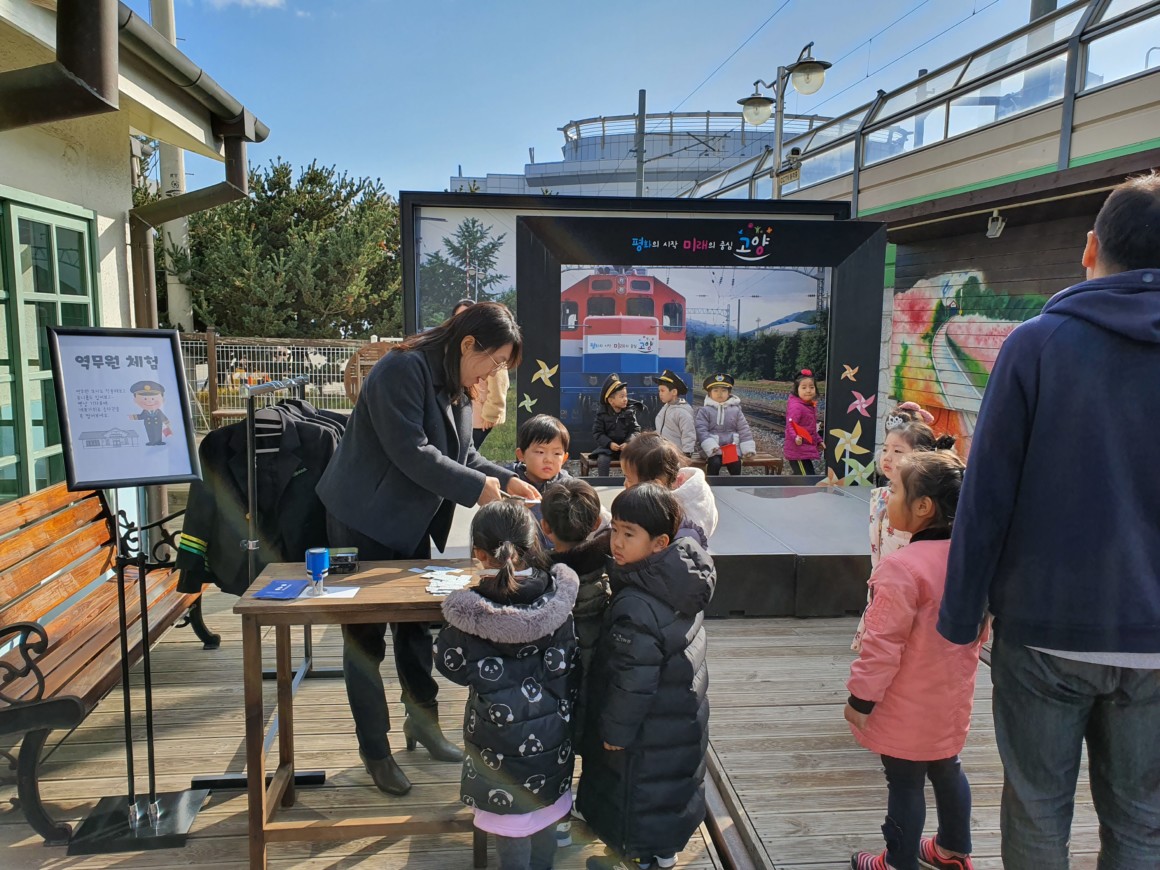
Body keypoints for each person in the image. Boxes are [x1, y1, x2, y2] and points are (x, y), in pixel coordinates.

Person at [938, 173, 1160, 870]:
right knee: (1145, 822)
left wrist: (962, 611)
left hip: (1045, 628)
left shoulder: (1037, 345)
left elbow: (989, 493)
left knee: (1037, 809)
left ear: (1091, 249)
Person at [315, 302, 540, 797]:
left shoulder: (452, 380)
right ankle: (375, 750)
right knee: (364, 640)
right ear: (467, 345)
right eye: (496, 361)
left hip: (408, 519)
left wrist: (511, 480)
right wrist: (480, 488)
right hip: (362, 518)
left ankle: (423, 724)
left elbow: (463, 454)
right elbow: (412, 451)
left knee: (415, 627)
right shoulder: (403, 368)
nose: (495, 373)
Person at [846, 450, 982, 870]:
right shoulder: (970, 561)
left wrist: (860, 701)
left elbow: (881, 645)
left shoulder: (902, 568)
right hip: (952, 700)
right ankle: (953, 850)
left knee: (904, 782)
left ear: (923, 507)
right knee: (947, 769)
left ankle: (898, 860)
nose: (887, 497)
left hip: (905, 706)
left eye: (896, 490)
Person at [434, 500, 579, 870]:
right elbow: (569, 659)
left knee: (509, 826)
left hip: (496, 746)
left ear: (479, 554)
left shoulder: (471, 613)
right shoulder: (558, 601)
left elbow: (450, 665)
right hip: (551, 739)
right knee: (543, 812)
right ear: (534, 544)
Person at [579, 484, 715, 870]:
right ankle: (663, 853)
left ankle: (637, 857)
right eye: (615, 530)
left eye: (628, 534)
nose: (616, 542)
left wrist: (615, 733)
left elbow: (632, 682)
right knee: (666, 792)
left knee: (634, 794)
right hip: (676, 720)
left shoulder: (637, 604)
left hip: (643, 731)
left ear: (660, 543)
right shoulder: (680, 579)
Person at [540, 478, 613, 848]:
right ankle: (593, 811)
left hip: (551, 697)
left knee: (557, 756)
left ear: (545, 527)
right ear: (597, 520)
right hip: (598, 689)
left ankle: (558, 825)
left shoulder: (541, 579)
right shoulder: (610, 568)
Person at [852, 418, 955, 652]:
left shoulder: (919, 507)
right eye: (885, 449)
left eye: (898, 451)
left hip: (904, 590)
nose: (887, 457)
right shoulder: (883, 495)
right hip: (882, 584)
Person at [620, 432, 718, 548]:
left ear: (654, 485)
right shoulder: (672, 484)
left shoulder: (679, 525)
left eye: (629, 478)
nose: (624, 483)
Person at [454, 300, 510, 450]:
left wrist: (492, 414)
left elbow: (500, 384)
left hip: (479, 416)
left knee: (467, 452)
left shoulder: (490, 347)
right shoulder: (458, 345)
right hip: (463, 412)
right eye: (459, 317)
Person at [695, 373, 755, 476]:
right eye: (715, 390)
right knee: (714, 463)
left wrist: (747, 448)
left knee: (735, 463)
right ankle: (712, 485)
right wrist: (710, 446)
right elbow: (701, 430)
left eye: (723, 390)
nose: (720, 394)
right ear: (709, 393)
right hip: (712, 449)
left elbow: (744, 429)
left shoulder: (735, 410)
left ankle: (734, 487)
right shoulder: (705, 411)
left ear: (729, 393)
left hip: (730, 447)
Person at [590, 374, 641, 477]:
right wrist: (609, 443)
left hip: (625, 448)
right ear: (611, 401)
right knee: (603, 460)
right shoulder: (602, 414)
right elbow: (597, 433)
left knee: (634, 459)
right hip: (607, 448)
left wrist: (628, 443)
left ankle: (631, 481)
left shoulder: (629, 412)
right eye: (621, 397)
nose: (625, 399)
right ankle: (602, 481)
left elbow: (635, 430)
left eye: (626, 396)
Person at [512, 414, 572, 493]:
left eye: (557, 453)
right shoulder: (507, 480)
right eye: (540, 452)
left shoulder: (569, 488)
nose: (548, 460)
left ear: (564, 458)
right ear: (521, 454)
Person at [784, 369, 821, 475]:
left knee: (804, 476)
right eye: (804, 387)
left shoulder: (808, 406)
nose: (808, 390)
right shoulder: (797, 407)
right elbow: (791, 425)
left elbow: (811, 428)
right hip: (797, 452)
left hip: (803, 451)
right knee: (806, 478)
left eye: (811, 387)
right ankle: (793, 490)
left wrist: (818, 440)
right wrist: (795, 436)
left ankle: (792, 490)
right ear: (797, 390)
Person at [653, 369, 696, 456]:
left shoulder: (682, 412)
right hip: (665, 451)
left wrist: (687, 453)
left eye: (662, 391)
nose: (660, 394)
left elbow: (688, 434)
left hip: (677, 454)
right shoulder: (666, 407)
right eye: (659, 391)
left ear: (674, 392)